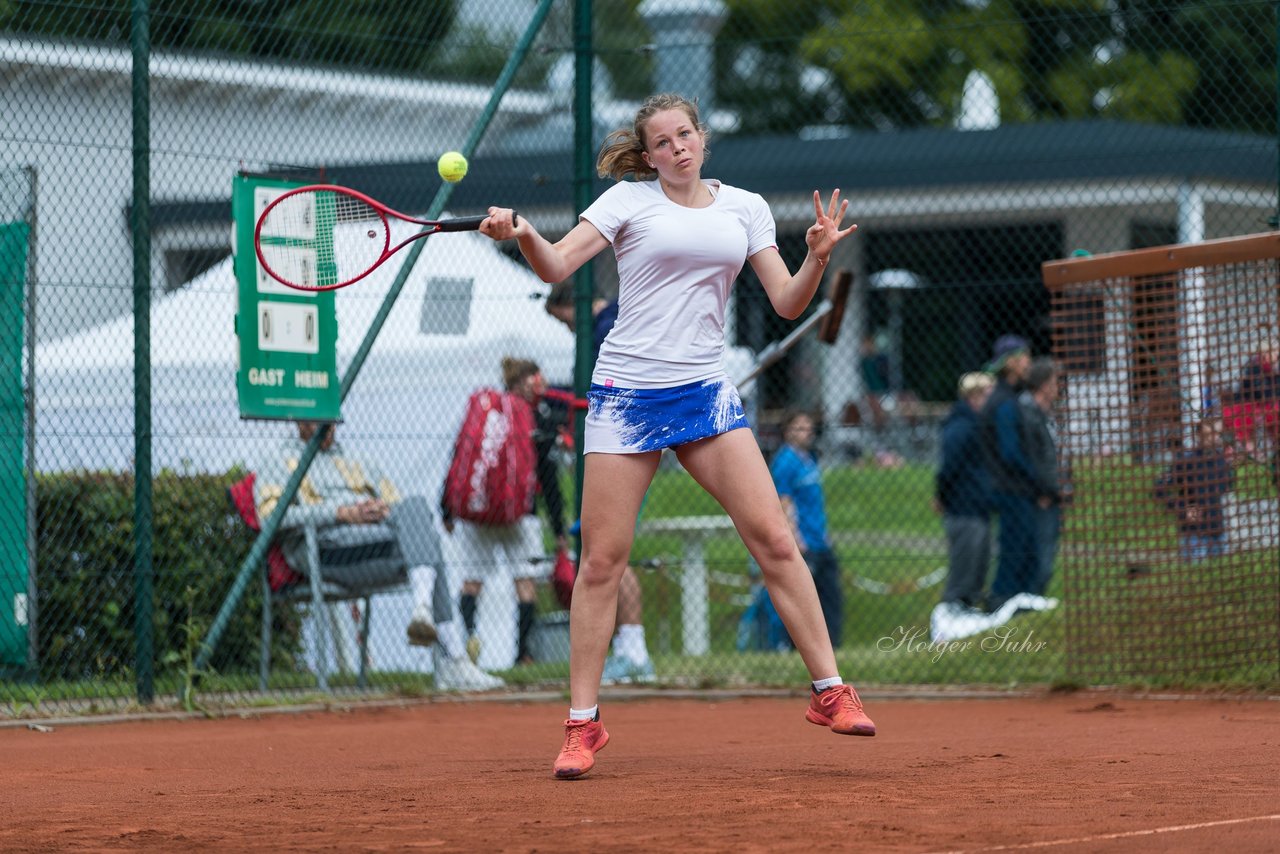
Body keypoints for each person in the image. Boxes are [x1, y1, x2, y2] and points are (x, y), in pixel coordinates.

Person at [480, 91, 874, 780]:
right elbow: (555, 266)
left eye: (685, 135)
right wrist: (523, 236)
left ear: (702, 136)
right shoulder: (627, 203)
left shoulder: (743, 207)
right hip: (626, 396)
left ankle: (829, 692)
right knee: (603, 560)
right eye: (661, 143)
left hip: (704, 394)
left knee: (776, 539)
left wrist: (814, 258)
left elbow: (785, 301)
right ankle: (581, 726)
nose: (676, 149)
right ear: (648, 154)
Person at [254, 421, 504, 692]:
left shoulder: (356, 461)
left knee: (417, 509)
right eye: (318, 421)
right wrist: (340, 513)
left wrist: (382, 511)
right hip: (326, 552)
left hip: (373, 544)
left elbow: (399, 508)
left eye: (331, 421)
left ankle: (426, 615)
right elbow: (270, 518)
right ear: (299, 422)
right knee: (429, 545)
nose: (327, 427)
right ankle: (453, 658)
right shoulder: (278, 462)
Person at [543, 280, 656, 685]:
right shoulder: (607, 324)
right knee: (603, 552)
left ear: (574, 304)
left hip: (625, 441)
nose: (569, 331)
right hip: (614, 441)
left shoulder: (608, 326)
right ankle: (630, 649)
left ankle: (633, 650)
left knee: (607, 554)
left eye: (566, 321)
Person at [445, 357, 551, 670]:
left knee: (471, 581)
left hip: (478, 511)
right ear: (527, 382)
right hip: (521, 514)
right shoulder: (534, 417)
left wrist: (447, 508)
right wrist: (558, 528)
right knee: (525, 583)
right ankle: (523, 655)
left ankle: (466, 647)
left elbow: (460, 458)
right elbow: (547, 475)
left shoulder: (485, 412)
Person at [770, 410, 842, 647]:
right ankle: (795, 647)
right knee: (803, 600)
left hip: (819, 539)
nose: (806, 433)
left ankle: (832, 647)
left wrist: (824, 534)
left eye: (809, 428)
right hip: (803, 543)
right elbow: (783, 502)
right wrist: (795, 538)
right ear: (787, 431)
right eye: (800, 428)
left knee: (830, 597)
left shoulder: (808, 458)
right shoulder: (785, 461)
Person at [980, 334, 1036, 612]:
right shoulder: (1004, 402)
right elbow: (1011, 452)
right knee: (1015, 555)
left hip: (1010, 488)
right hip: (1013, 490)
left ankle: (1011, 607)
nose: (1029, 363)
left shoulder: (1006, 398)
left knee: (1016, 553)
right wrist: (1036, 477)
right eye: (1025, 357)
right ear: (1011, 362)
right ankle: (1003, 608)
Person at [934, 372, 995, 617]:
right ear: (974, 396)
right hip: (963, 509)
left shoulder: (978, 423)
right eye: (987, 394)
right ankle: (947, 624)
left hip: (978, 507)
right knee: (963, 572)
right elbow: (948, 468)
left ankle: (967, 617)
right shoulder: (961, 425)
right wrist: (943, 496)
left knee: (977, 571)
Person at [1155, 416, 1236, 562]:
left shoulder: (1222, 462)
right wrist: (1182, 509)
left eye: (1217, 434)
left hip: (1217, 532)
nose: (1213, 438)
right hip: (1194, 534)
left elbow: (1227, 488)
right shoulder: (1186, 461)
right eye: (1208, 435)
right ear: (1198, 435)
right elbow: (1160, 487)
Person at [1019, 358, 1064, 596]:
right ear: (1043, 384)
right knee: (1038, 561)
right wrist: (1043, 490)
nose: (1059, 386)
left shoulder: (1046, 414)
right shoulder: (1028, 414)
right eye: (1055, 381)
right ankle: (1028, 605)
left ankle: (1034, 602)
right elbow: (1030, 458)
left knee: (1046, 558)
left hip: (1053, 495)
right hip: (1040, 498)